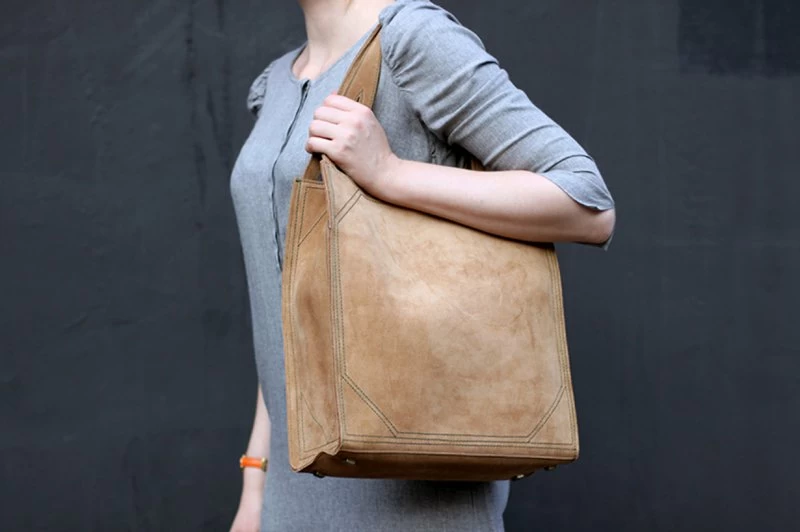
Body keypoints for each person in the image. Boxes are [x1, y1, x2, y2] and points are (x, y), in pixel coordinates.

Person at [229, 0, 616, 530]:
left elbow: (587, 204)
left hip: (413, 493)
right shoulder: (276, 83)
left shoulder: (414, 39)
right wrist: (255, 485)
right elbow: (290, 310)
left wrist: (389, 174)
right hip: (291, 497)